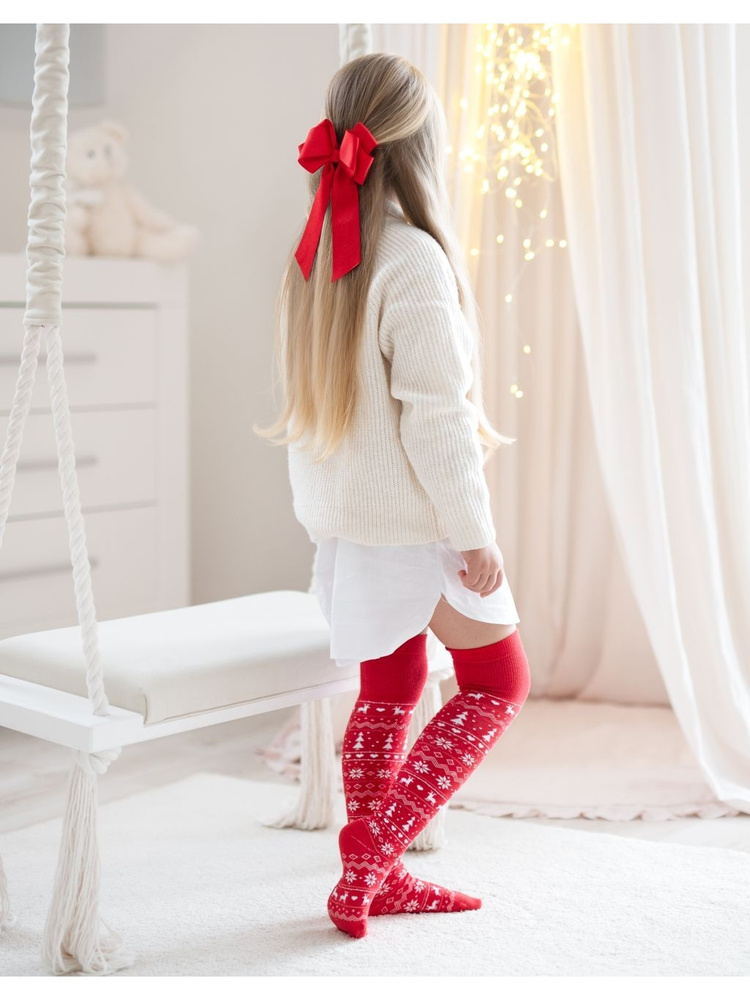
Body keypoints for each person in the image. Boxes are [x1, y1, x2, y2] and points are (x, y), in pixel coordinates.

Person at [256, 51, 530, 938]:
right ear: (421, 145)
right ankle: (372, 856)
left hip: (349, 525)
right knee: (498, 680)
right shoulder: (411, 258)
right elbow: (436, 417)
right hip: (414, 518)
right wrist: (474, 531)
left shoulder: (313, 254)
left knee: (393, 681)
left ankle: (380, 875)